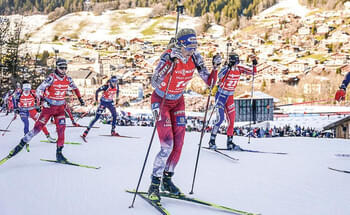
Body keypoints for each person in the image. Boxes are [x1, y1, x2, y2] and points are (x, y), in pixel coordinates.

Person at [147, 28, 221, 203]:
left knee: (178, 145)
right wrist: (170, 62)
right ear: (180, 45)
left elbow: (210, 82)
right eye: (189, 47)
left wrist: (216, 68)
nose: (191, 51)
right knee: (166, 146)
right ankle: (154, 184)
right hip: (161, 100)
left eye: (194, 46)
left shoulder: (196, 57)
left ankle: (167, 179)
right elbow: (154, 82)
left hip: (178, 101)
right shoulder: (168, 55)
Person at [6, 58, 85, 163]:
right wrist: (43, 101)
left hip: (60, 109)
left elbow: (75, 88)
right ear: (57, 67)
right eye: (61, 68)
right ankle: (21, 144)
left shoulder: (68, 79)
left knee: (62, 130)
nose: (63, 70)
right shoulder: (51, 78)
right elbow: (39, 90)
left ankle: (59, 154)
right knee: (37, 129)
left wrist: (80, 99)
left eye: (65, 68)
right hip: (49, 108)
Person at [208, 52, 258, 150]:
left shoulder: (239, 69)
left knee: (231, 120)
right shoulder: (226, 68)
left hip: (230, 96)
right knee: (220, 119)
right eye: (235, 61)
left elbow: (253, 73)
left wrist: (254, 63)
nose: (236, 63)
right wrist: (228, 67)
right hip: (221, 95)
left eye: (237, 61)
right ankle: (212, 140)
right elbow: (220, 75)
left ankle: (230, 142)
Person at [12, 81, 56, 150]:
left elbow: (41, 97)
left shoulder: (33, 93)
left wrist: (39, 106)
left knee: (40, 123)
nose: (27, 91)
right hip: (23, 111)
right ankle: (26, 139)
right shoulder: (19, 94)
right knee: (26, 123)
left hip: (32, 110)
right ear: (23, 88)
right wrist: (15, 108)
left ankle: (48, 136)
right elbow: (13, 99)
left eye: (28, 89)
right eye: (25, 89)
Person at [81, 76, 120, 140]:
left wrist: (117, 100)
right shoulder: (106, 86)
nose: (115, 83)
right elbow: (97, 91)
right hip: (103, 102)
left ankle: (113, 131)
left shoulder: (117, 86)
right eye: (113, 82)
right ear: (110, 81)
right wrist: (96, 100)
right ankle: (86, 131)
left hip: (110, 102)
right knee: (97, 117)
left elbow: (117, 92)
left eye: (116, 81)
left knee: (115, 115)